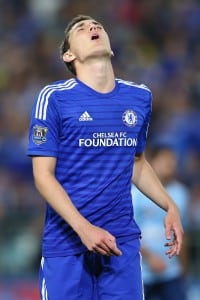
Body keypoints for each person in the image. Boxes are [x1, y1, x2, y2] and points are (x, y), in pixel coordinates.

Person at [27, 15, 183, 300]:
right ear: (68, 54)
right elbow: (42, 176)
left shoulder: (140, 97)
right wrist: (84, 229)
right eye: (80, 28)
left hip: (120, 243)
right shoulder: (53, 98)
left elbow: (136, 162)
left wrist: (169, 205)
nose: (92, 27)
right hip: (67, 245)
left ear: (111, 48)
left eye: (97, 25)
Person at [132, 144, 189, 300]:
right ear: (152, 162)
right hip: (143, 271)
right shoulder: (134, 194)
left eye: (173, 161)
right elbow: (130, 232)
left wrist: (184, 268)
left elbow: (184, 232)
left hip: (171, 272)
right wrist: (150, 258)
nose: (171, 165)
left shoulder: (181, 193)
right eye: (166, 160)